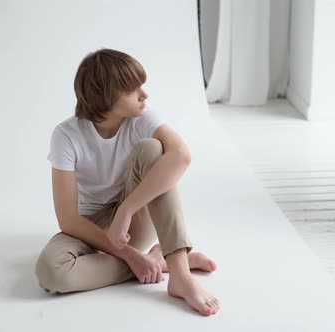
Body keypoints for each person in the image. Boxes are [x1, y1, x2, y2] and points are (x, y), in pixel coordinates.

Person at [35, 48, 220, 316]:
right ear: (105, 96)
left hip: (133, 222)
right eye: (132, 89)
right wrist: (132, 256)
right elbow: (68, 219)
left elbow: (182, 155)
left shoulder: (141, 117)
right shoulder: (66, 136)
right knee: (51, 272)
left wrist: (126, 210)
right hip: (89, 226)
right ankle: (159, 260)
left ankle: (180, 273)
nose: (144, 94)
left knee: (153, 151)